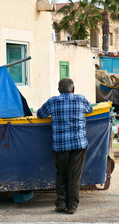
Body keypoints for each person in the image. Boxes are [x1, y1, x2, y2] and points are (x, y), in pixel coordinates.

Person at [37, 78, 93, 214]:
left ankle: (61, 203)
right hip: (78, 145)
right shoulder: (81, 99)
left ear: (58, 90)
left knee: (61, 174)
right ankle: (72, 206)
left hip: (60, 146)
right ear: (73, 89)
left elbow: (39, 114)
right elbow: (90, 110)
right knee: (74, 176)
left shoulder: (53, 101)